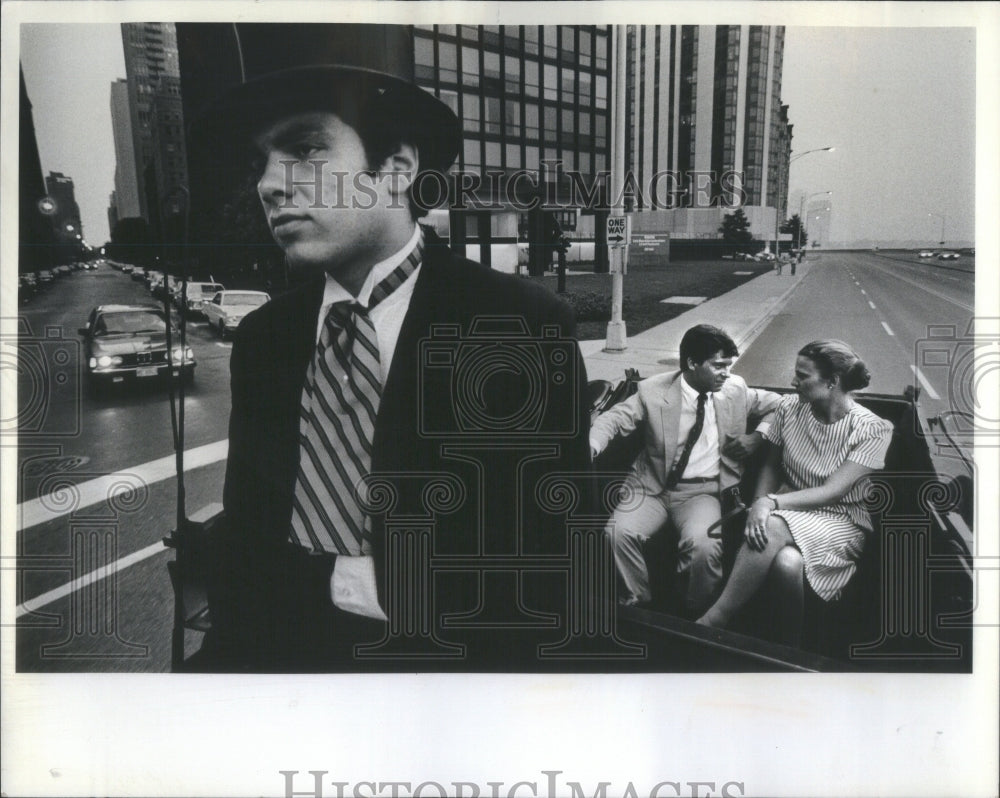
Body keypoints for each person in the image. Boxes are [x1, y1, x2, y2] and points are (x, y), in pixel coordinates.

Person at [192, 24, 590, 671]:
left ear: (399, 167)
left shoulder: (517, 324)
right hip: (288, 672)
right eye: (260, 161)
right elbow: (248, 539)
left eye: (304, 148)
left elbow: (550, 558)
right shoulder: (265, 339)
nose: (270, 184)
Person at [697, 341, 893, 644]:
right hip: (787, 510)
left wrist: (769, 503)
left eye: (803, 376)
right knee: (787, 564)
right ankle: (789, 647)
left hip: (840, 521)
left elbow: (832, 492)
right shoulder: (789, 408)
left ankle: (715, 619)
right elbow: (772, 467)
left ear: (832, 381)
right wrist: (756, 509)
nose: (793, 382)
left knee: (772, 525)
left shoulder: (873, 429)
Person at [589, 325, 781, 617]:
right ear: (692, 363)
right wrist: (590, 445)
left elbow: (782, 406)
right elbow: (615, 419)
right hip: (649, 486)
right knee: (617, 534)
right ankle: (637, 605)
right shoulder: (653, 390)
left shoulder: (735, 389)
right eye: (718, 365)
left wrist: (758, 437)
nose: (726, 373)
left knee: (704, 548)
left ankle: (693, 615)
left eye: (728, 365)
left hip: (701, 492)